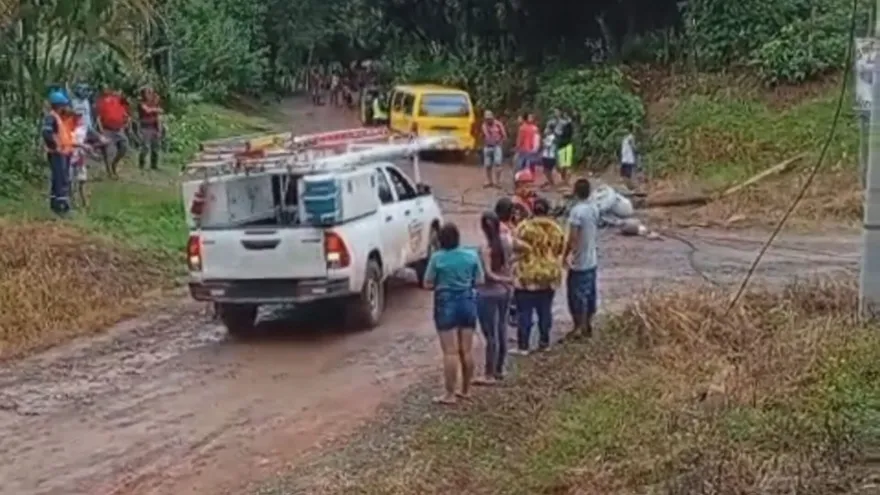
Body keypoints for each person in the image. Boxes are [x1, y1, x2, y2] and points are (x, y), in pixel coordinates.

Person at [423, 222, 485, 404]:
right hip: (467, 301)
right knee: (466, 350)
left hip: (446, 302)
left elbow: (427, 283)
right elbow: (480, 280)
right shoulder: (471, 255)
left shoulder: (437, 258)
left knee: (450, 352)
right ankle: (466, 390)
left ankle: (449, 394)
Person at [510, 197, 566, 355]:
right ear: (547, 210)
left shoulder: (523, 227)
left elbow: (515, 247)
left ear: (533, 209)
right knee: (545, 310)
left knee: (524, 312)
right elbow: (560, 249)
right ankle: (544, 342)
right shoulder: (556, 228)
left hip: (527, 274)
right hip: (549, 274)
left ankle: (523, 346)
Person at [474, 212, 514, 385]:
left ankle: (489, 373)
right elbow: (520, 251)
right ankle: (500, 369)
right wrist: (509, 277)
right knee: (502, 328)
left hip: (488, 293)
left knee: (490, 334)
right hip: (505, 292)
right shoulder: (506, 242)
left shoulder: (485, 248)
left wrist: (503, 278)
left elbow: (488, 274)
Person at [564, 178, 601, 338]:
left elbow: (573, 237)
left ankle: (578, 327)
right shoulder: (594, 208)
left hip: (579, 261)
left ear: (575, 192)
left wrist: (565, 255)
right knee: (590, 293)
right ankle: (587, 324)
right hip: (592, 259)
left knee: (576, 295)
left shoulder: (576, 211)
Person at [43, 91, 75, 215]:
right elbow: (47, 133)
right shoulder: (52, 117)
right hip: (57, 153)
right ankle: (61, 207)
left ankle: (56, 205)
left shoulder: (57, 117)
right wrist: (55, 146)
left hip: (62, 152)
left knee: (60, 178)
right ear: (59, 105)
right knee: (61, 179)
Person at [95, 87, 130, 179]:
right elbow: (98, 117)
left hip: (118, 129)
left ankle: (114, 164)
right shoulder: (101, 102)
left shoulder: (118, 101)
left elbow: (124, 113)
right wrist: (101, 130)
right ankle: (109, 172)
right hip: (107, 129)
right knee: (108, 151)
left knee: (124, 146)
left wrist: (126, 121)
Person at [69, 107, 93, 208]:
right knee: (70, 181)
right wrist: (82, 146)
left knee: (82, 181)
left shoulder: (83, 128)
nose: (79, 117)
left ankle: (85, 203)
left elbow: (87, 139)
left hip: (80, 157)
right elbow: (68, 142)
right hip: (70, 156)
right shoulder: (68, 128)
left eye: (80, 115)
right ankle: (73, 202)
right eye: (77, 115)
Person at [137, 86, 163, 170]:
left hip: (154, 126)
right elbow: (147, 110)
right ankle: (141, 164)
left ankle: (154, 165)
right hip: (145, 127)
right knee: (145, 147)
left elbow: (159, 113)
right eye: (148, 92)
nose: (150, 94)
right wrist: (155, 109)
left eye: (151, 92)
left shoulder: (154, 103)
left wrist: (159, 128)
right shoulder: (141, 103)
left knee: (155, 147)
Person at [481, 110, 507, 188]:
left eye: (490, 118)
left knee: (498, 164)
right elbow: (483, 135)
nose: (488, 120)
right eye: (487, 119)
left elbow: (504, 135)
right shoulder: (484, 125)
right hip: (487, 146)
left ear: (493, 117)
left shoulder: (498, 124)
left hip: (497, 146)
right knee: (487, 165)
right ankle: (489, 181)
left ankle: (498, 182)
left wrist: (500, 142)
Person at [556, 109, 575, 186]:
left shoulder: (562, 123)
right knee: (566, 165)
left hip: (563, 145)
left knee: (564, 165)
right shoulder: (569, 124)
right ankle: (565, 181)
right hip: (566, 145)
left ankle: (565, 180)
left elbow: (557, 132)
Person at [620, 124, 638, 191]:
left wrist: (635, 151)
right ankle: (627, 186)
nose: (623, 130)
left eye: (625, 129)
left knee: (627, 174)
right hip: (624, 159)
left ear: (628, 130)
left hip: (628, 159)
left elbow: (633, 146)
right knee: (624, 174)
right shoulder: (625, 138)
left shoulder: (630, 137)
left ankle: (630, 187)